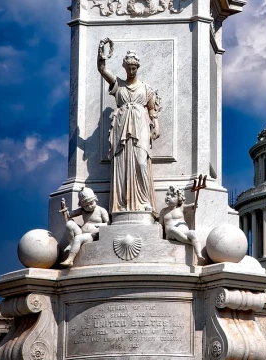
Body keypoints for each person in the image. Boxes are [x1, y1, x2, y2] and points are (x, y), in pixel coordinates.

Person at [97, 42, 160, 215]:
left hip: (140, 124)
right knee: (122, 164)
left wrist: (156, 125)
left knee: (141, 161)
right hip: (122, 124)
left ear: (137, 67)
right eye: (129, 68)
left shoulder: (146, 88)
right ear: (125, 67)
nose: (131, 71)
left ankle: (145, 200)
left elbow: (152, 110)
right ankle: (124, 202)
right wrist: (101, 55)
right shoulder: (118, 84)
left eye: (134, 68)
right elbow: (102, 70)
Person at [60, 187, 109, 266]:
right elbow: (69, 215)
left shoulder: (101, 210)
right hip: (81, 232)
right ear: (82, 205)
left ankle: (70, 259)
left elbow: (108, 223)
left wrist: (100, 225)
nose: (89, 207)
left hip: (92, 235)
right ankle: (71, 243)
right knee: (69, 224)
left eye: (91, 203)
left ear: (95, 199)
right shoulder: (82, 210)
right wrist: (64, 209)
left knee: (78, 238)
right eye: (85, 206)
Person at [163, 185, 204, 263]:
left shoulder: (181, 208)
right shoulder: (163, 211)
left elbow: (189, 206)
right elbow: (161, 224)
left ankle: (199, 254)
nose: (168, 197)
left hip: (184, 231)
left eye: (172, 196)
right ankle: (191, 242)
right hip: (171, 234)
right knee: (173, 229)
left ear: (179, 199)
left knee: (193, 233)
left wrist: (193, 206)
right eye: (167, 194)